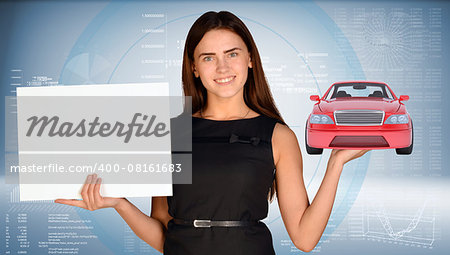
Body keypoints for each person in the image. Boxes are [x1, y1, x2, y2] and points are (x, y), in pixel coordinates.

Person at [55, 11, 369, 254]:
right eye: (208, 58)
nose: (222, 68)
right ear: (193, 67)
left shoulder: (278, 136)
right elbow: (165, 234)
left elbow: (304, 237)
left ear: (249, 60)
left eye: (232, 54)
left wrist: (336, 163)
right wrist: (120, 204)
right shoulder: (169, 132)